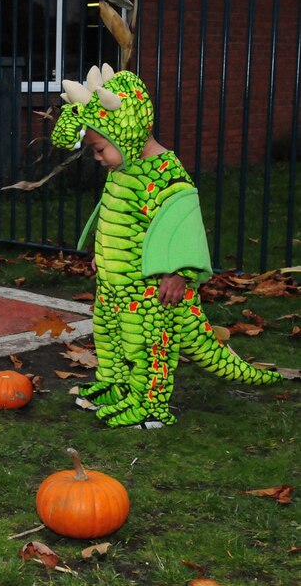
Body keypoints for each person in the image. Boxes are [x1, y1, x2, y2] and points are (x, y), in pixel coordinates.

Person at [50, 64, 283, 429]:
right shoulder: (123, 169)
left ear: (126, 135)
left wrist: (179, 274)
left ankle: (150, 405)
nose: (97, 158)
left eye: (99, 149)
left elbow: (184, 226)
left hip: (151, 287)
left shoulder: (170, 176)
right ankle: (116, 385)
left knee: (146, 344)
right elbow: (114, 217)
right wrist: (101, 254)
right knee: (110, 336)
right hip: (115, 284)